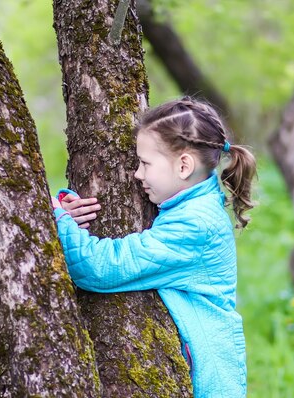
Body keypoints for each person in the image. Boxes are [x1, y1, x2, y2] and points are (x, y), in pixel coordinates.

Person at [51, 97, 256, 397]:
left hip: (208, 385)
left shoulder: (195, 225)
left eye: (145, 163)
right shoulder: (191, 205)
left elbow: (98, 266)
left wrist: (55, 216)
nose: (137, 174)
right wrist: (71, 216)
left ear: (184, 165)